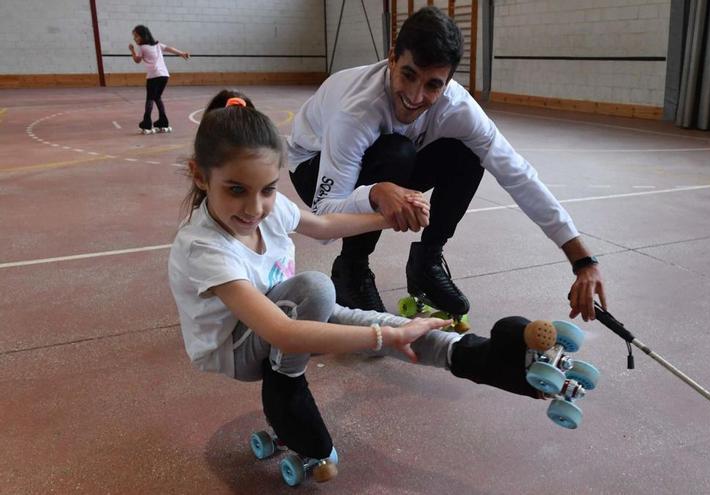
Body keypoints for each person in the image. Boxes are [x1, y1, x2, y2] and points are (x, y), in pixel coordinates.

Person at [168, 90, 558, 476]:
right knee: (321, 293)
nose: (255, 208)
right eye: (236, 190)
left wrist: (387, 219)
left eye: (268, 189)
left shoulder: (266, 209)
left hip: (280, 312)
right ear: (200, 176)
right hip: (235, 347)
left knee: (373, 320)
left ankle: (484, 359)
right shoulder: (205, 248)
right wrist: (381, 341)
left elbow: (322, 225)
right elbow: (283, 333)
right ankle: (285, 391)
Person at [287, 6, 607, 322]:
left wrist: (582, 259)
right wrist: (376, 193)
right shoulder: (357, 112)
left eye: (432, 85)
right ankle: (352, 271)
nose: (414, 96)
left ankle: (427, 262)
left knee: (467, 150)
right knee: (396, 151)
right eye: (408, 75)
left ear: (449, 81)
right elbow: (323, 221)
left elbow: (517, 173)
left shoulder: (458, 108)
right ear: (392, 58)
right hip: (312, 165)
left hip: (389, 161)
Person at [128, 25, 190, 134]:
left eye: (136, 36)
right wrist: (182, 53)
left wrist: (132, 50)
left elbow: (137, 60)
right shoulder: (157, 45)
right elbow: (170, 49)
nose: (134, 39)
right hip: (164, 75)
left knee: (150, 99)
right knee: (157, 98)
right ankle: (163, 121)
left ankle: (146, 123)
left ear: (143, 36)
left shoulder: (142, 48)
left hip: (153, 76)